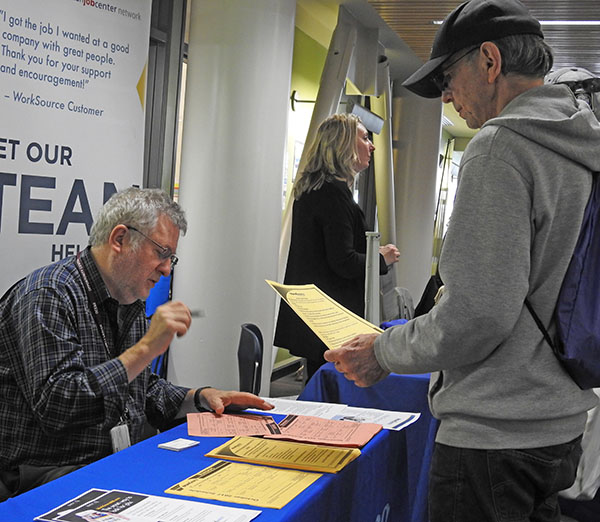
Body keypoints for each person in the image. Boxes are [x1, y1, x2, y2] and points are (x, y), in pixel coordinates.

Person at [324, 1, 600, 521]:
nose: (447, 96)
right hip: (560, 423)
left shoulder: (500, 150)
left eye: (449, 77)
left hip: (492, 439)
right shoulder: (579, 146)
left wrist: (383, 352)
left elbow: (477, 316)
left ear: (490, 62)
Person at [0, 187, 272, 500]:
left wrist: (201, 397)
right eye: (161, 253)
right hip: (43, 475)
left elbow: (140, 389)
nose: (167, 269)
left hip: (108, 463)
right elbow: (60, 406)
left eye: (171, 258)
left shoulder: (126, 297)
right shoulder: (48, 296)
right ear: (120, 240)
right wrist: (145, 351)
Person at [274, 113, 400, 381]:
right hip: (330, 321)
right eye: (365, 138)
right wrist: (381, 258)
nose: (372, 146)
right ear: (343, 145)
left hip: (316, 317)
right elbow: (342, 261)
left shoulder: (314, 190)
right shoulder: (333, 195)